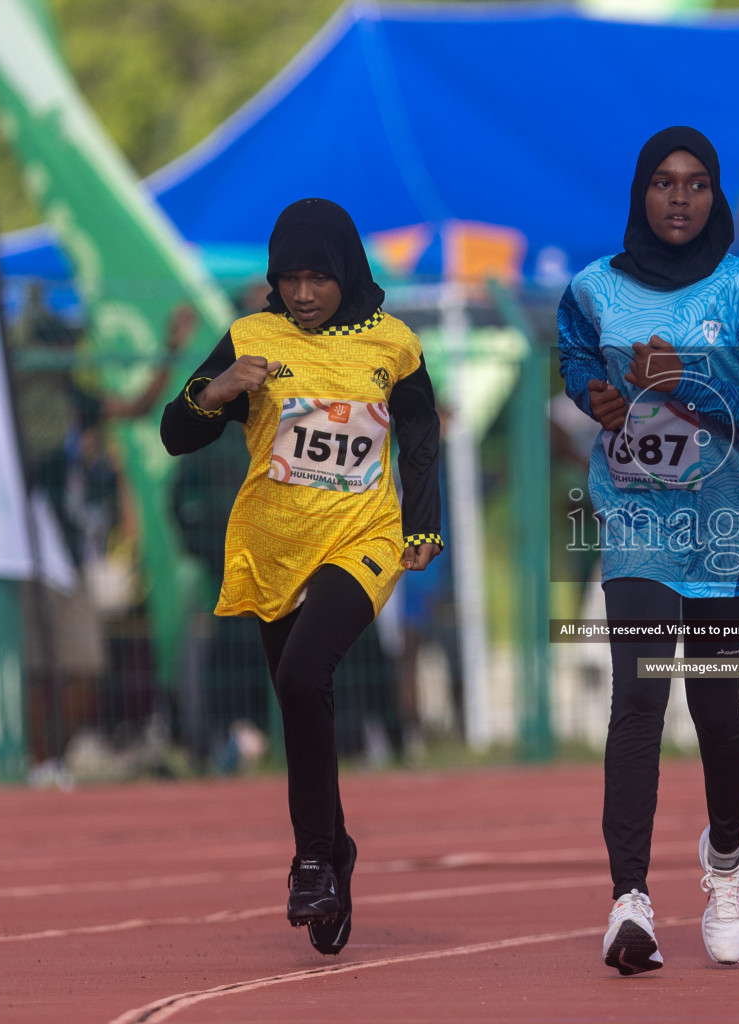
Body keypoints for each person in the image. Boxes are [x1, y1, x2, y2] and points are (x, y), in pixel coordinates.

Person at [558, 126, 739, 975]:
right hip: (634, 523)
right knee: (639, 698)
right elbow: (573, 359)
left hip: (721, 535)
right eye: (663, 182)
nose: (678, 197)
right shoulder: (592, 289)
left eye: (696, 183)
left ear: (715, 196)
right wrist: (594, 394)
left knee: (713, 707)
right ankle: (629, 900)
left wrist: (692, 387)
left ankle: (728, 865)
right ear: (639, 192)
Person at [159, 198, 443, 955]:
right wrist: (210, 394)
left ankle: (312, 859)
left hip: (363, 537)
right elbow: (174, 435)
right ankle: (336, 848)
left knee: (300, 677)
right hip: (272, 546)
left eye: (320, 277)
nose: (306, 293)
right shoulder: (250, 338)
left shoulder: (394, 343)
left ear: (347, 272)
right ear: (274, 280)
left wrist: (422, 520)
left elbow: (418, 426)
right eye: (291, 278)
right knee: (298, 699)